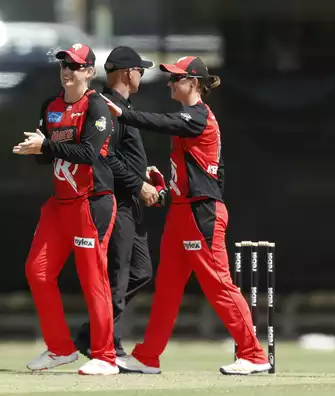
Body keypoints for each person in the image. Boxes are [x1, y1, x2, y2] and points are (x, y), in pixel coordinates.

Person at [100, 56, 271, 375]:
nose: (169, 83)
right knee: (167, 288)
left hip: (200, 213)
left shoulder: (197, 116)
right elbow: (210, 171)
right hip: (183, 211)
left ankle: (253, 354)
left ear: (193, 83)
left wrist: (125, 113)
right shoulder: (190, 118)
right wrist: (172, 190)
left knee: (219, 285)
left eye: (175, 78)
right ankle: (149, 356)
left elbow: (165, 123)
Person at [12, 43, 119, 375]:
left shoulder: (97, 106)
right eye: (63, 64)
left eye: (74, 65)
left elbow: (88, 153)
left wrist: (46, 144)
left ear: (89, 72)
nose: (67, 70)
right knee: (38, 271)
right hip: (59, 205)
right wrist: (38, 148)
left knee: (93, 280)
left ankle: (106, 357)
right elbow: (50, 155)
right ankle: (60, 349)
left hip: (91, 203)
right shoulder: (51, 106)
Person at [74, 46, 159, 359]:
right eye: (140, 69)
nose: (142, 74)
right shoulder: (106, 107)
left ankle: (90, 334)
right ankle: (109, 346)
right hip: (117, 202)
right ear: (128, 72)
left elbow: (120, 153)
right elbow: (104, 154)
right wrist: (138, 184)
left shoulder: (121, 106)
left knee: (140, 271)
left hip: (131, 201)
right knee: (119, 276)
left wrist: (144, 173)